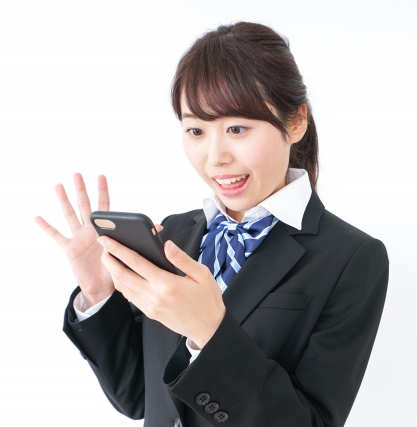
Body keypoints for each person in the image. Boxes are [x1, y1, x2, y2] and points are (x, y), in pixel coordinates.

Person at [35, 21, 389, 427]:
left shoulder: (351, 258)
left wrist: (210, 331)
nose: (215, 157)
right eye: (196, 130)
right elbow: (138, 397)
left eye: (237, 128)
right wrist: (99, 294)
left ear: (295, 122)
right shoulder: (174, 234)